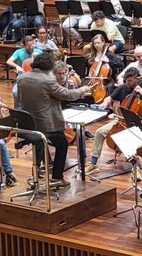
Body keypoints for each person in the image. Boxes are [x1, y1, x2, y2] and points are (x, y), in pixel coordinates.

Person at [17, 53, 92, 185]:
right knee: (62, 144)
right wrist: (83, 90)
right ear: (49, 66)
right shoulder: (47, 81)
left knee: (50, 142)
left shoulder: (22, 78)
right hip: (44, 124)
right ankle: (57, 178)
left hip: (27, 123)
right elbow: (67, 94)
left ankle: (42, 169)